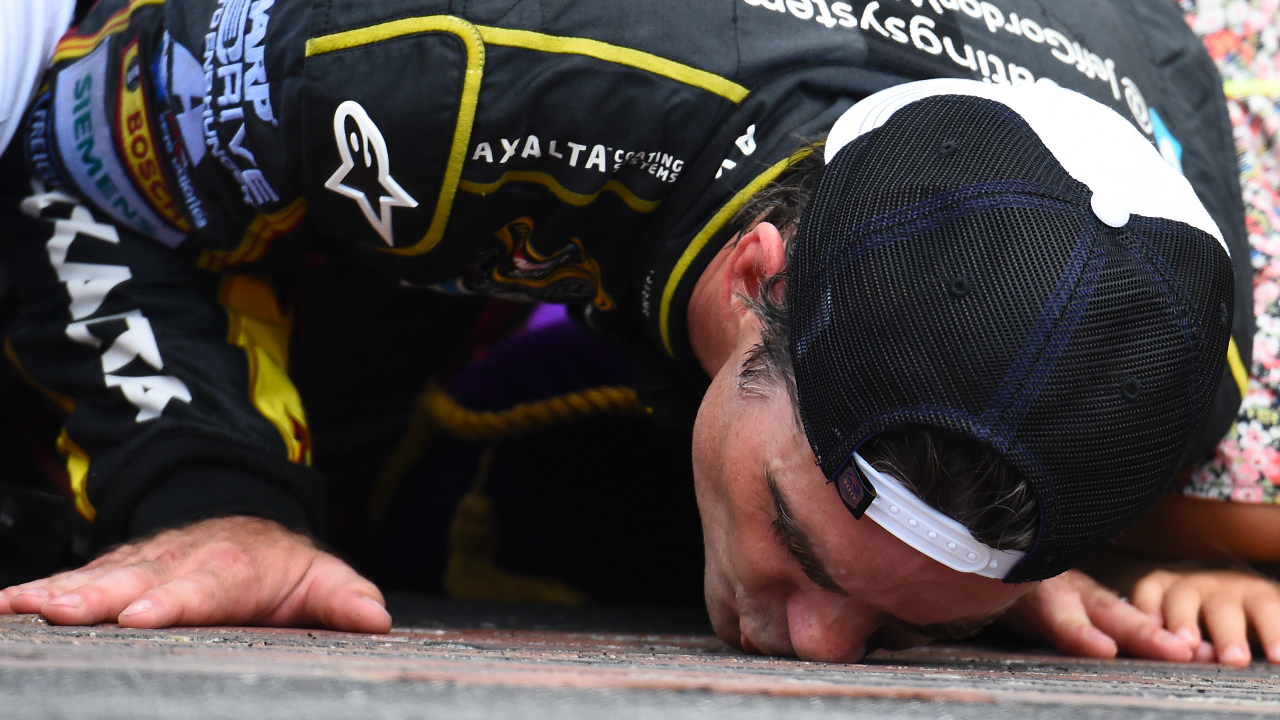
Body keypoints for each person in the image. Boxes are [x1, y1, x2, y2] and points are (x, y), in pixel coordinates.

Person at [0, 0, 1276, 668]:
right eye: (799, 545)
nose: (822, 651)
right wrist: (213, 492)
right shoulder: (448, 69)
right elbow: (80, 157)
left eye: (892, 622)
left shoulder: (1181, 346)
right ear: (750, 279)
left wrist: (941, 582)